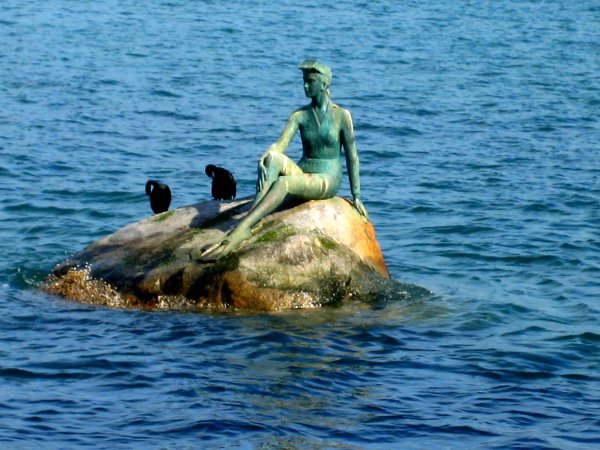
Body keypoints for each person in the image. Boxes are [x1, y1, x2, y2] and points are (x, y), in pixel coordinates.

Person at [202, 60, 368, 260]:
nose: (305, 86)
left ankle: (243, 228)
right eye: (304, 81)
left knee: (283, 183)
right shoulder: (300, 115)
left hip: (327, 178)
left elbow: (352, 155)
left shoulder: (342, 116)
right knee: (272, 160)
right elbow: (280, 145)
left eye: (311, 81)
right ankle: (253, 218)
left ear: (324, 84)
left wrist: (356, 195)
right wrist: (267, 154)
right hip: (304, 170)